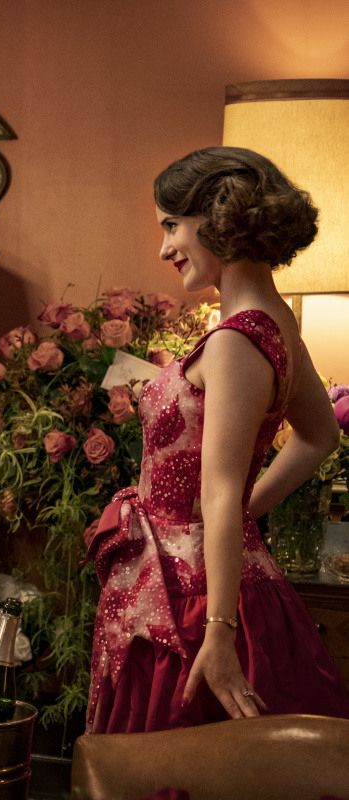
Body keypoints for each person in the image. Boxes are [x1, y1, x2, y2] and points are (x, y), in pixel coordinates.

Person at [85, 146, 349, 733]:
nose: (165, 248)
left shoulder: (235, 340)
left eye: (171, 225)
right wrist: (244, 512)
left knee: (176, 761)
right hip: (202, 581)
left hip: (191, 603)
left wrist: (220, 632)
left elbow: (221, 493)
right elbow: (321, 435)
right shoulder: (275, 324)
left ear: (218, 216)